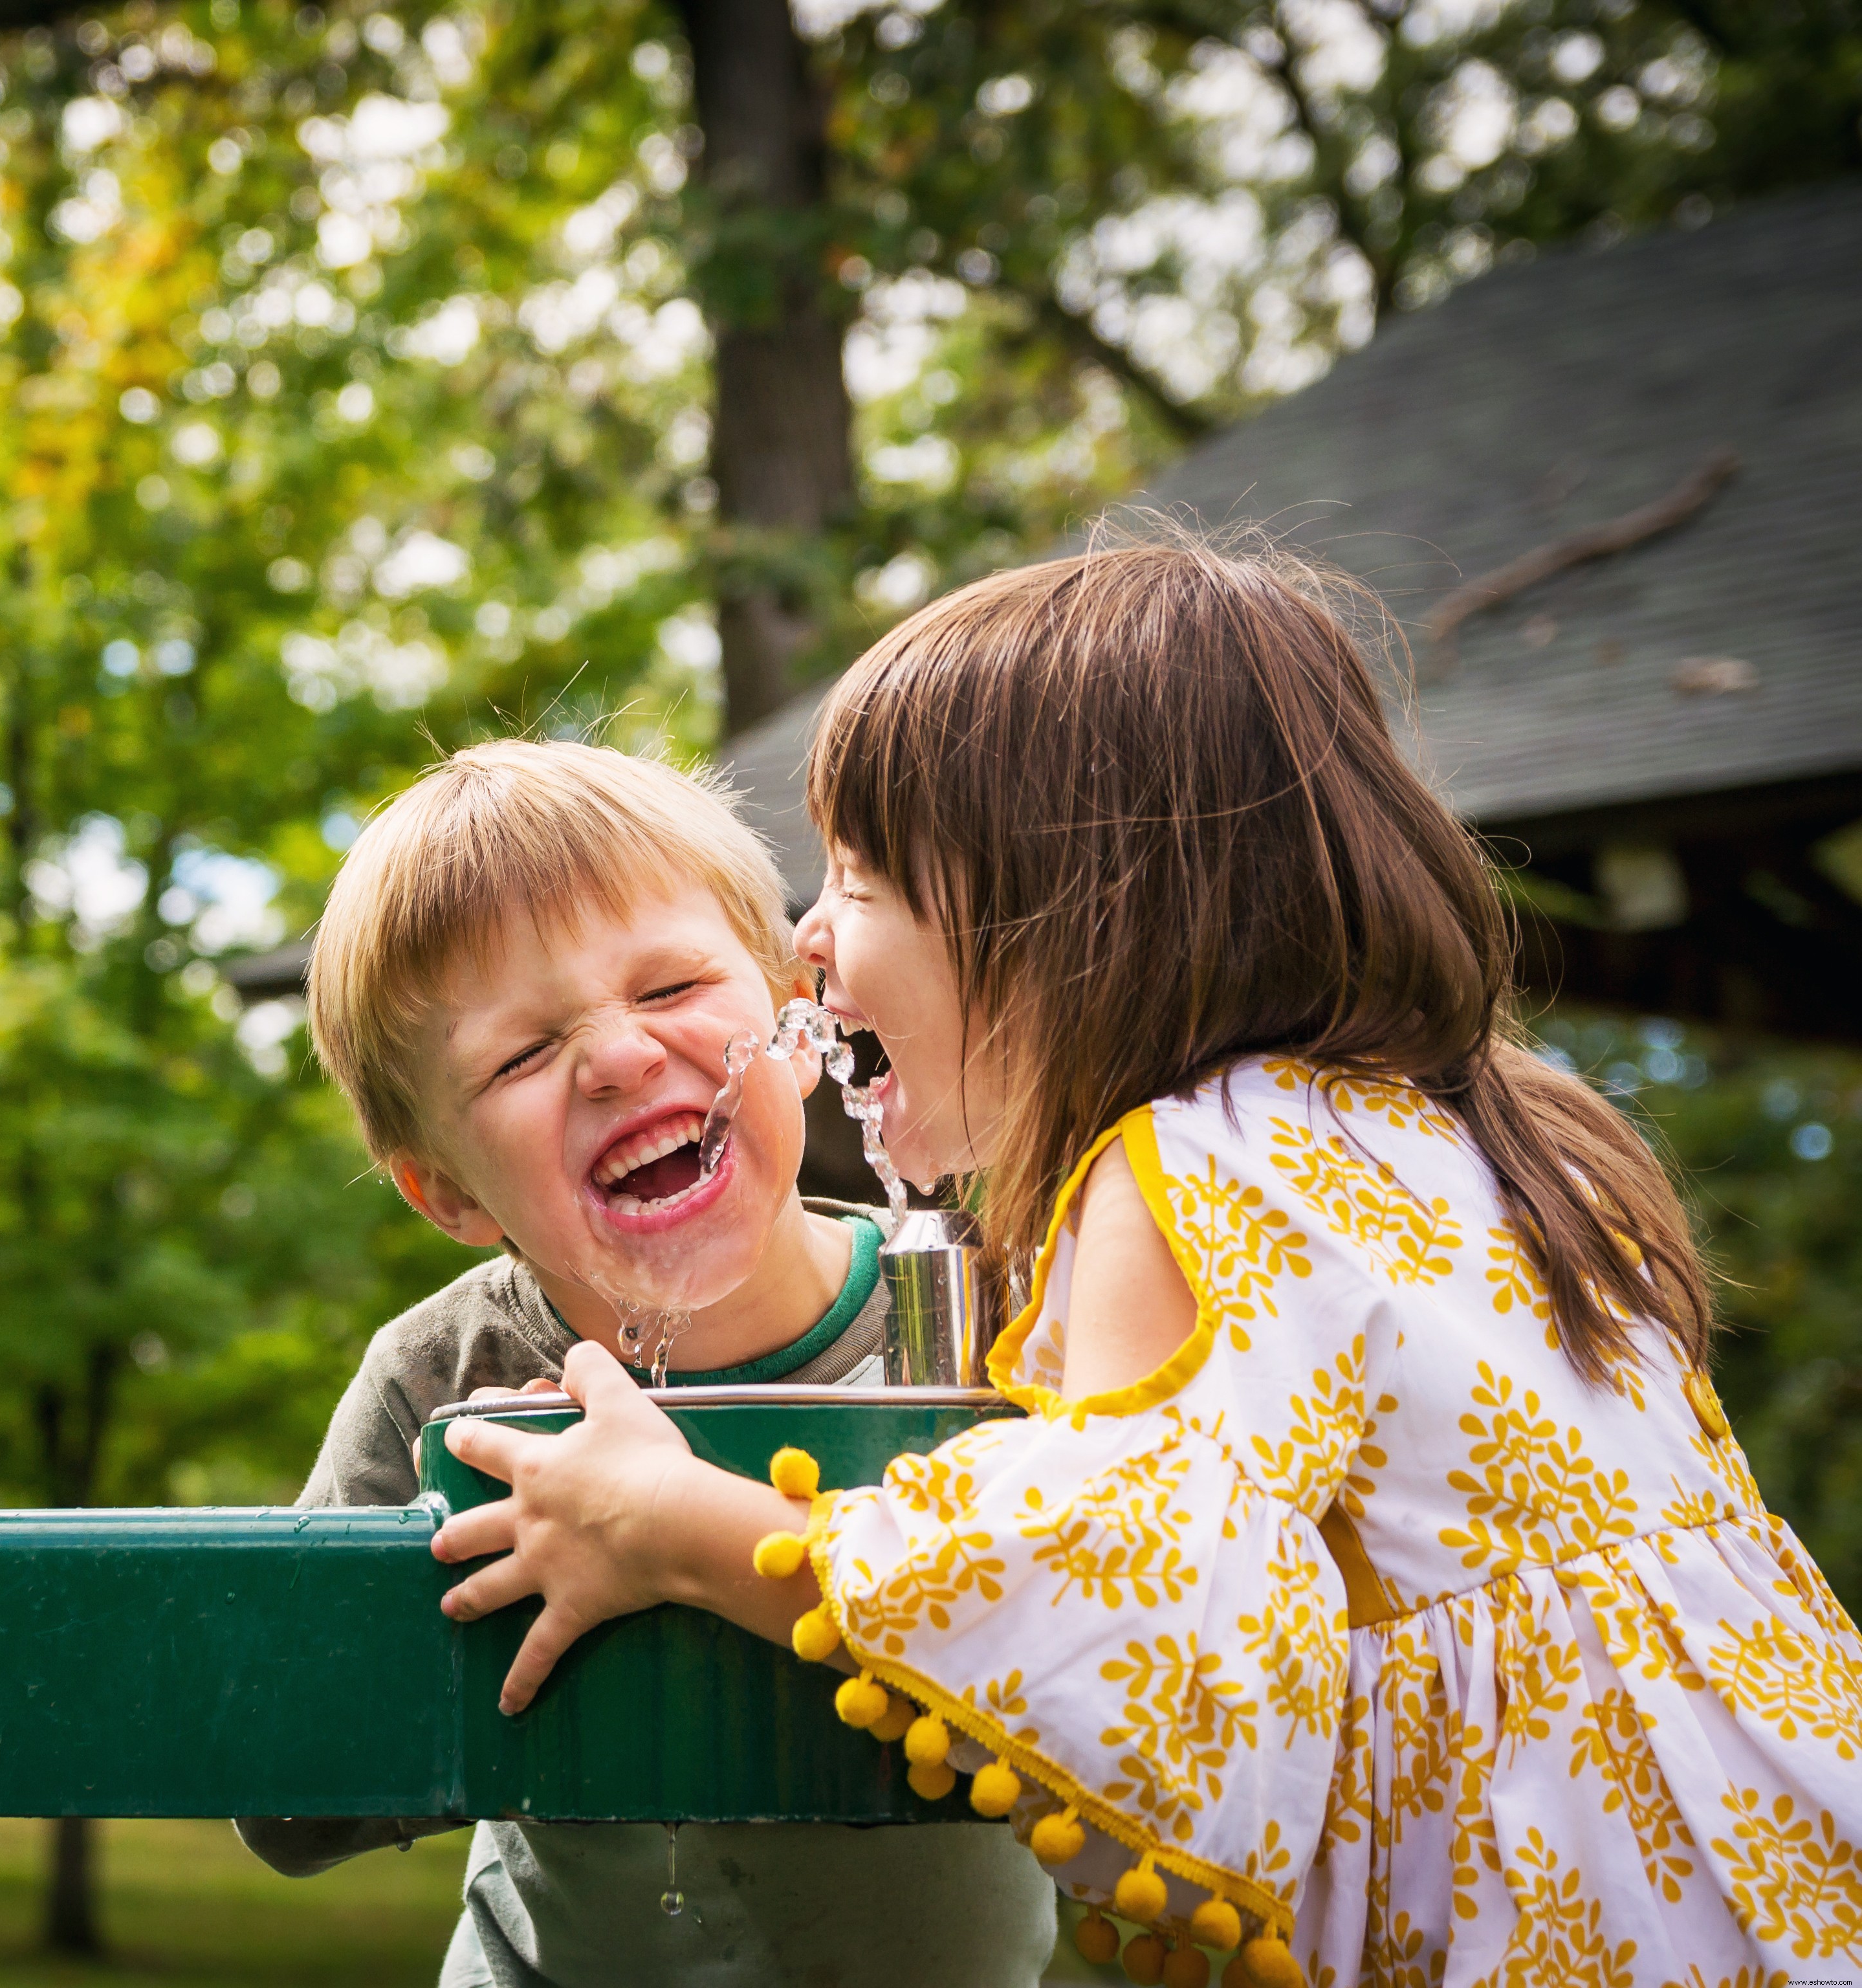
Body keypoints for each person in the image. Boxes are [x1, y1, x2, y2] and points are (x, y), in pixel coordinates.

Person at [432, 537, 1862, 1985]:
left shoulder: (1191, 1172)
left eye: (860, 885)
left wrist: (672, 1521)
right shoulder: (1464, 1126)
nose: (809, 945)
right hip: (1758, 1868)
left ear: (1051, 913)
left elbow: (1101, 1593)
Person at [235, 738, 1060, 1988]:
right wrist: (460, 1578)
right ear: (448, 1190)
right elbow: (287, 1804)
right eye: (518, 1057)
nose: (619, 1057)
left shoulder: (991, 1306)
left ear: (796, 1018)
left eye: (672, 986)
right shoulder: (449, 1385)